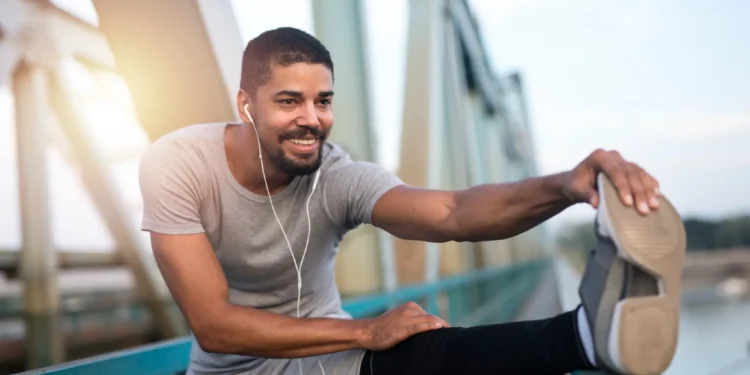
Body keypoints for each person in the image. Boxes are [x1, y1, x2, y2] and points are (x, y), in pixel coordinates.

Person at [138, 27, 686, 375]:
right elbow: (214, 324)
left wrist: (565, 186)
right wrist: (363, 329)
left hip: (327, 359)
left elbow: (452, 212)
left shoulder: (335, 176)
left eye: (323, 100)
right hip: (232, 370)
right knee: (388, 339)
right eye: (289, 100)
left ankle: (588, 337)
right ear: (246, 104)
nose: (312, 118)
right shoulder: (179, 164)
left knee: (424, 353)